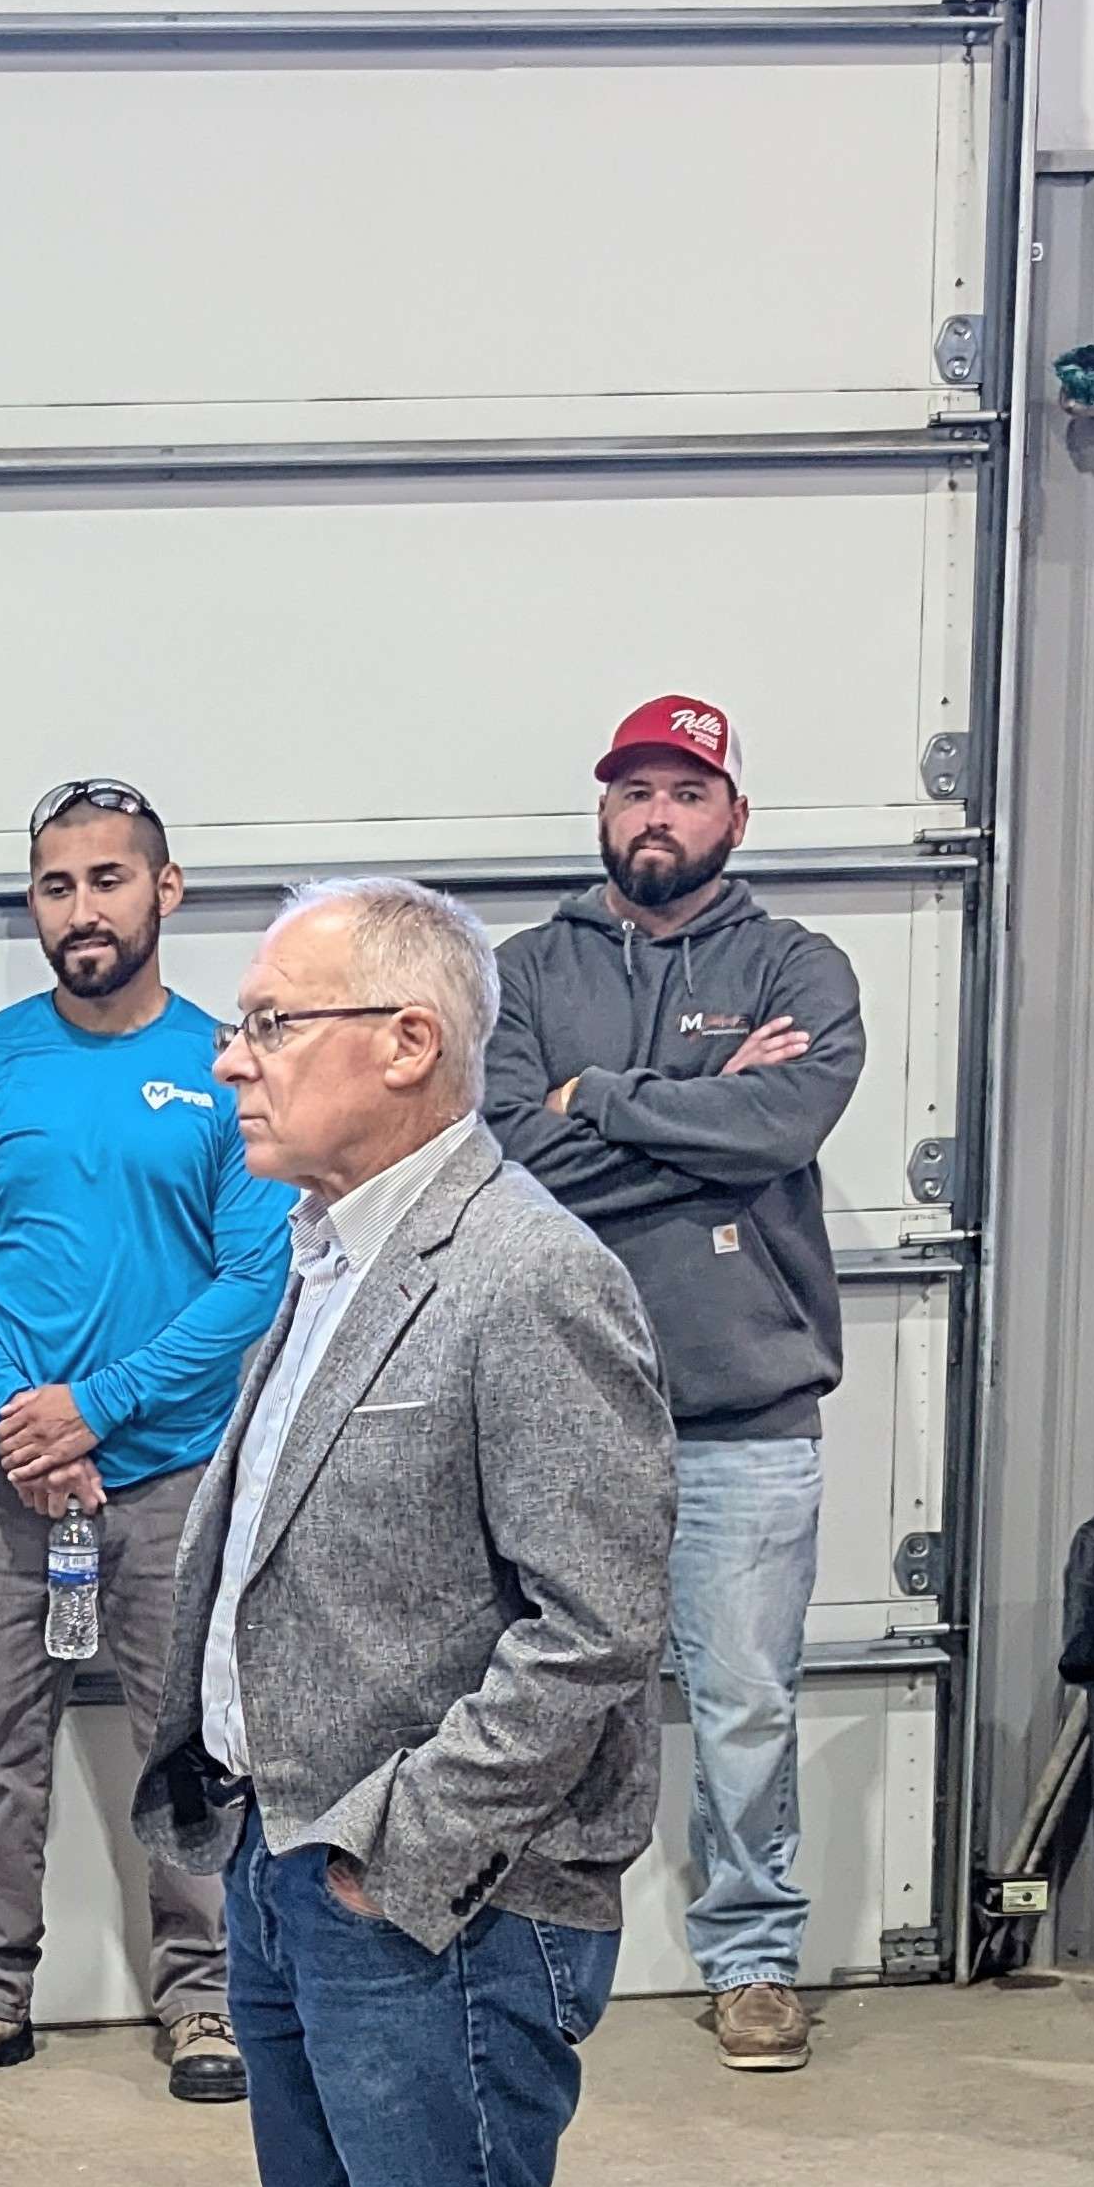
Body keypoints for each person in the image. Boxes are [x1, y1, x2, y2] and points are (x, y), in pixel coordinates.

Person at [135, 879, 674, 2187]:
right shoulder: (337, 1249)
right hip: (293, 1866)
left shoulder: (521, 1277)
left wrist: (402, 1850)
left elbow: (594, 1626)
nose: (236, 1059)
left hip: (434, 1895)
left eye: (274, 1024)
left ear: (408, 1043)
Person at [483, 690, 863, 2075]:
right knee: (535, 1694)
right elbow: (512, 1153)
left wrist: (606, 1095)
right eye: (636, 789)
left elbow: (787, 1122)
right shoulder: (523, 972)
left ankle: (752, 1958)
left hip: (745, 1415)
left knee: (745, 1699)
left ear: (733, 816)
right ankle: (520, 1942)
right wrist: (696, 1094)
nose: (658, 814)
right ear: (605, 810)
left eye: (686, 791)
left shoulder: (799, 966)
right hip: (557, 1412)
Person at [0, 779, 272, 2106]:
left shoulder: (230, 1067)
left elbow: (251, 1279)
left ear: (166, 891)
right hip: (2, 1479)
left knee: (190, 1745)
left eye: (109, 880)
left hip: (171, 1473)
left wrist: (94, 1408)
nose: (82, 909)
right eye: (57, 886)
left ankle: (208, 1999)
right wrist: (19, 1420)